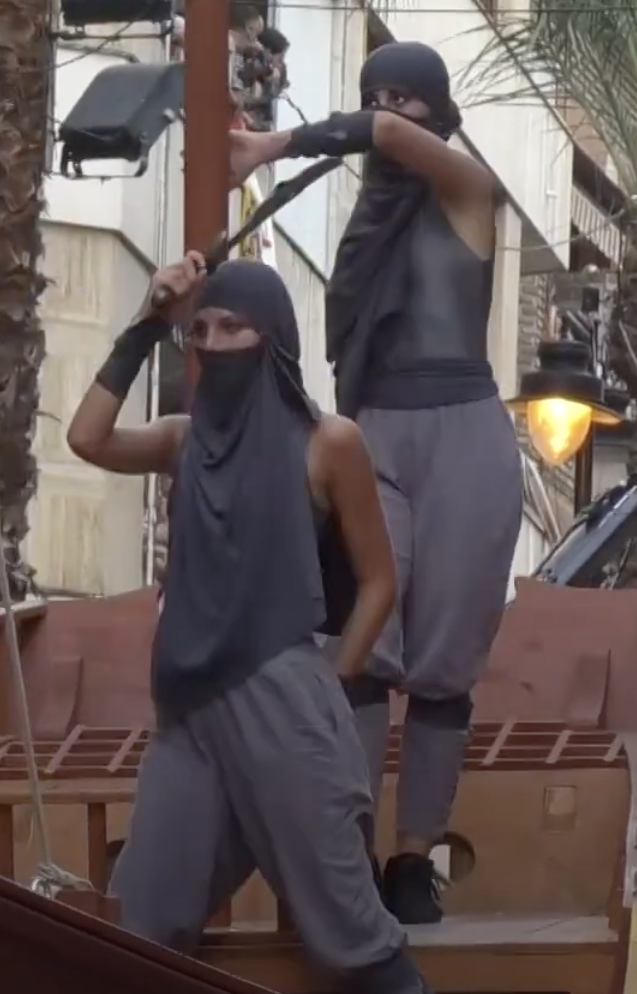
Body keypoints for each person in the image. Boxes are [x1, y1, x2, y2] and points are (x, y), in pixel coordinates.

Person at [65, 256, 424, 994]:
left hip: (279, 690)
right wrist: (149, 321)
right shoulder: (182, 440)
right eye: (200, 331)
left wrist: (330, 683)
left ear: (273, 336)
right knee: (137, 928)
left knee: (350, 933)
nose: (212, 343)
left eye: (233, 327)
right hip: (186, 708)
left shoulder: (328, 442)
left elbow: (380, 579)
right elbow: (87, 438)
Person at [229, 40, 524, 924]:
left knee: (443, 666)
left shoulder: (469, 191)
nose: (389, 111)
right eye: (375, 94)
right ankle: (349, 848)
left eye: (406, 97)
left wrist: (274, 144)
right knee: (361, 639)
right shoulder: (365, 224)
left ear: (438, 111)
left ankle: (413, 858)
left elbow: (388, 137)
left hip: (465, 429)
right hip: (373, 429)